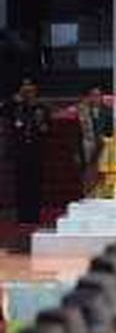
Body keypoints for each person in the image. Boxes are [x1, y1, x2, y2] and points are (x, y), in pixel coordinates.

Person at [8, 79, 49, 224]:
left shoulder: (41, 108)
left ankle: (34, 215)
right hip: (20, 150)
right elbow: (6, 112)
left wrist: (43, 128)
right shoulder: (16, 107)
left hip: (36, 150)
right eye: (25, 89)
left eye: (31, 89)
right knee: (21, 183)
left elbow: (46, 128)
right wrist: (14, 100)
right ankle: (22, 215)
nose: (28, 92)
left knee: (35, 183)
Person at [77, 85, 113, 195]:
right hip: (87, 151)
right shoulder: (83, 112)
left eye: (98, 95)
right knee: (89, 179)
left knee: (103, 180)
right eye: (93, 95)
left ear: (102, 97)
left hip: (104, 151)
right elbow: (78, 134)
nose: (95, 98)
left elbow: (112, 132)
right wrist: (77, 152)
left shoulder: (109, 112)